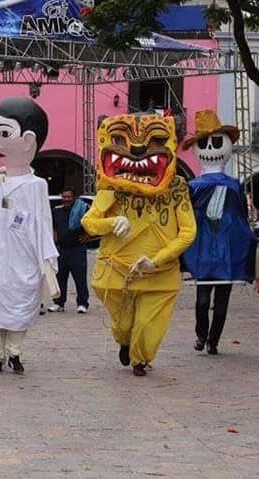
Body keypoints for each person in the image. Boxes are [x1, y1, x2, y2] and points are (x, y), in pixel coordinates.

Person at [82, 113, 196, 377]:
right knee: (123, 325)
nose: (137, 149)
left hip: (159, 274)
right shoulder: (114, 186)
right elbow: (90, 222)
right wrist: (112, 223)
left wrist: (156, 259)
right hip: (117, 273)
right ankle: (124, 341)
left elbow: (188, 232)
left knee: (147, 327)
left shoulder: (177, 188)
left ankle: (140, 360)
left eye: (155, 140)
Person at [0, 97, 57, 374]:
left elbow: (43, 222)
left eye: (4, 131)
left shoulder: (36, 186)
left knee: (18, 311)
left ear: (28, 139)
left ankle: (14, 353)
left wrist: (46, 260)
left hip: (21, 262)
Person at [181, 110, 259, 355]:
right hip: (206, 250)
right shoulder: (194, 186)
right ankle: (202, 335)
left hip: (224, 249)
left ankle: (213, 341)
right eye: (208, 142)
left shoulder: (231, 185)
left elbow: (239, 218)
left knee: (221, 303)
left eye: (217, 141)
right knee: (203, 299)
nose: (212, 146)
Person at [48, 188, 90, 313]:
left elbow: (93, 223)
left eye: (69, 197)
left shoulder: (83, 210)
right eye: (64, 196)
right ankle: (59, 303)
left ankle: (82, 303)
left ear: (74, 197)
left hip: (77, 248)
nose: (66, 199)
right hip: (61, 249)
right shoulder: (57, 211)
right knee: (60, 277)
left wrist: (89, 235)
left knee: (80, 278)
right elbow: (53, 227)